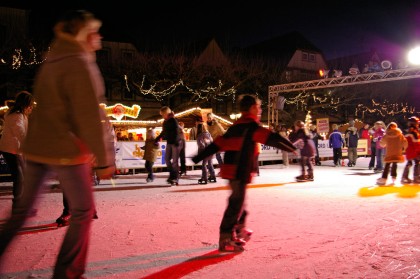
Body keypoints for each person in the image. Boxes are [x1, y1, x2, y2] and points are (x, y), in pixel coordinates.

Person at [0, 10, 115, 279]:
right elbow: (88, 116)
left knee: (20, 213)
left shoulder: (53, 59)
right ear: (84, 34)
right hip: (67, 149)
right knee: (84, 210)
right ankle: (68, 272)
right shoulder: (80, 63)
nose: (99, 37)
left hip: (39, 146)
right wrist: (105, 159)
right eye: (95, 32)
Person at [192, 94, 297, 252]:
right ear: (253, 108)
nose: (260, 110)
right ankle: (226, 237)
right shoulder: (250, 127)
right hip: (238, 171)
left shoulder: (235, 127)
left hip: (234, 170)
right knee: (236, 205)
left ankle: (236, 230)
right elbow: (272, 138)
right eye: (259, 107)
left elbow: (217, 144)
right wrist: (292, 148)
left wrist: (198, 157)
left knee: (240, 205)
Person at [0, 91, 34, 210]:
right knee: (19, 177)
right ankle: (18, 205)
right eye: (29, 105)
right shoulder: (16, 116)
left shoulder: (22, 115)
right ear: (24, 104)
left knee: (24, 176)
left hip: (16, 150)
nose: (30, 107)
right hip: (10, 150)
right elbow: (20, 133)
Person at [155, 106, 182, 185]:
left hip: (176, 143)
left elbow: (177, 131)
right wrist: (157, 138)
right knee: (166, 159)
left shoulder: (173, 120)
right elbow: (164, 132)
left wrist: (177, 141)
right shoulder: (165, 122)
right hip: (169, 142)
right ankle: (172, 175)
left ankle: (175, 178)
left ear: (166, 113)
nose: (162, 116)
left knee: (174, 161)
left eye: (163, 114)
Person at [401, 116, 420, 184]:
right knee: (417, 163)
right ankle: (416, 177)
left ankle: (404, 177)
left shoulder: (408, 130)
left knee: (410, 163)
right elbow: (416, 143)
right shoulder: (414, 132)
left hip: (409, 150)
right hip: (414, 151)